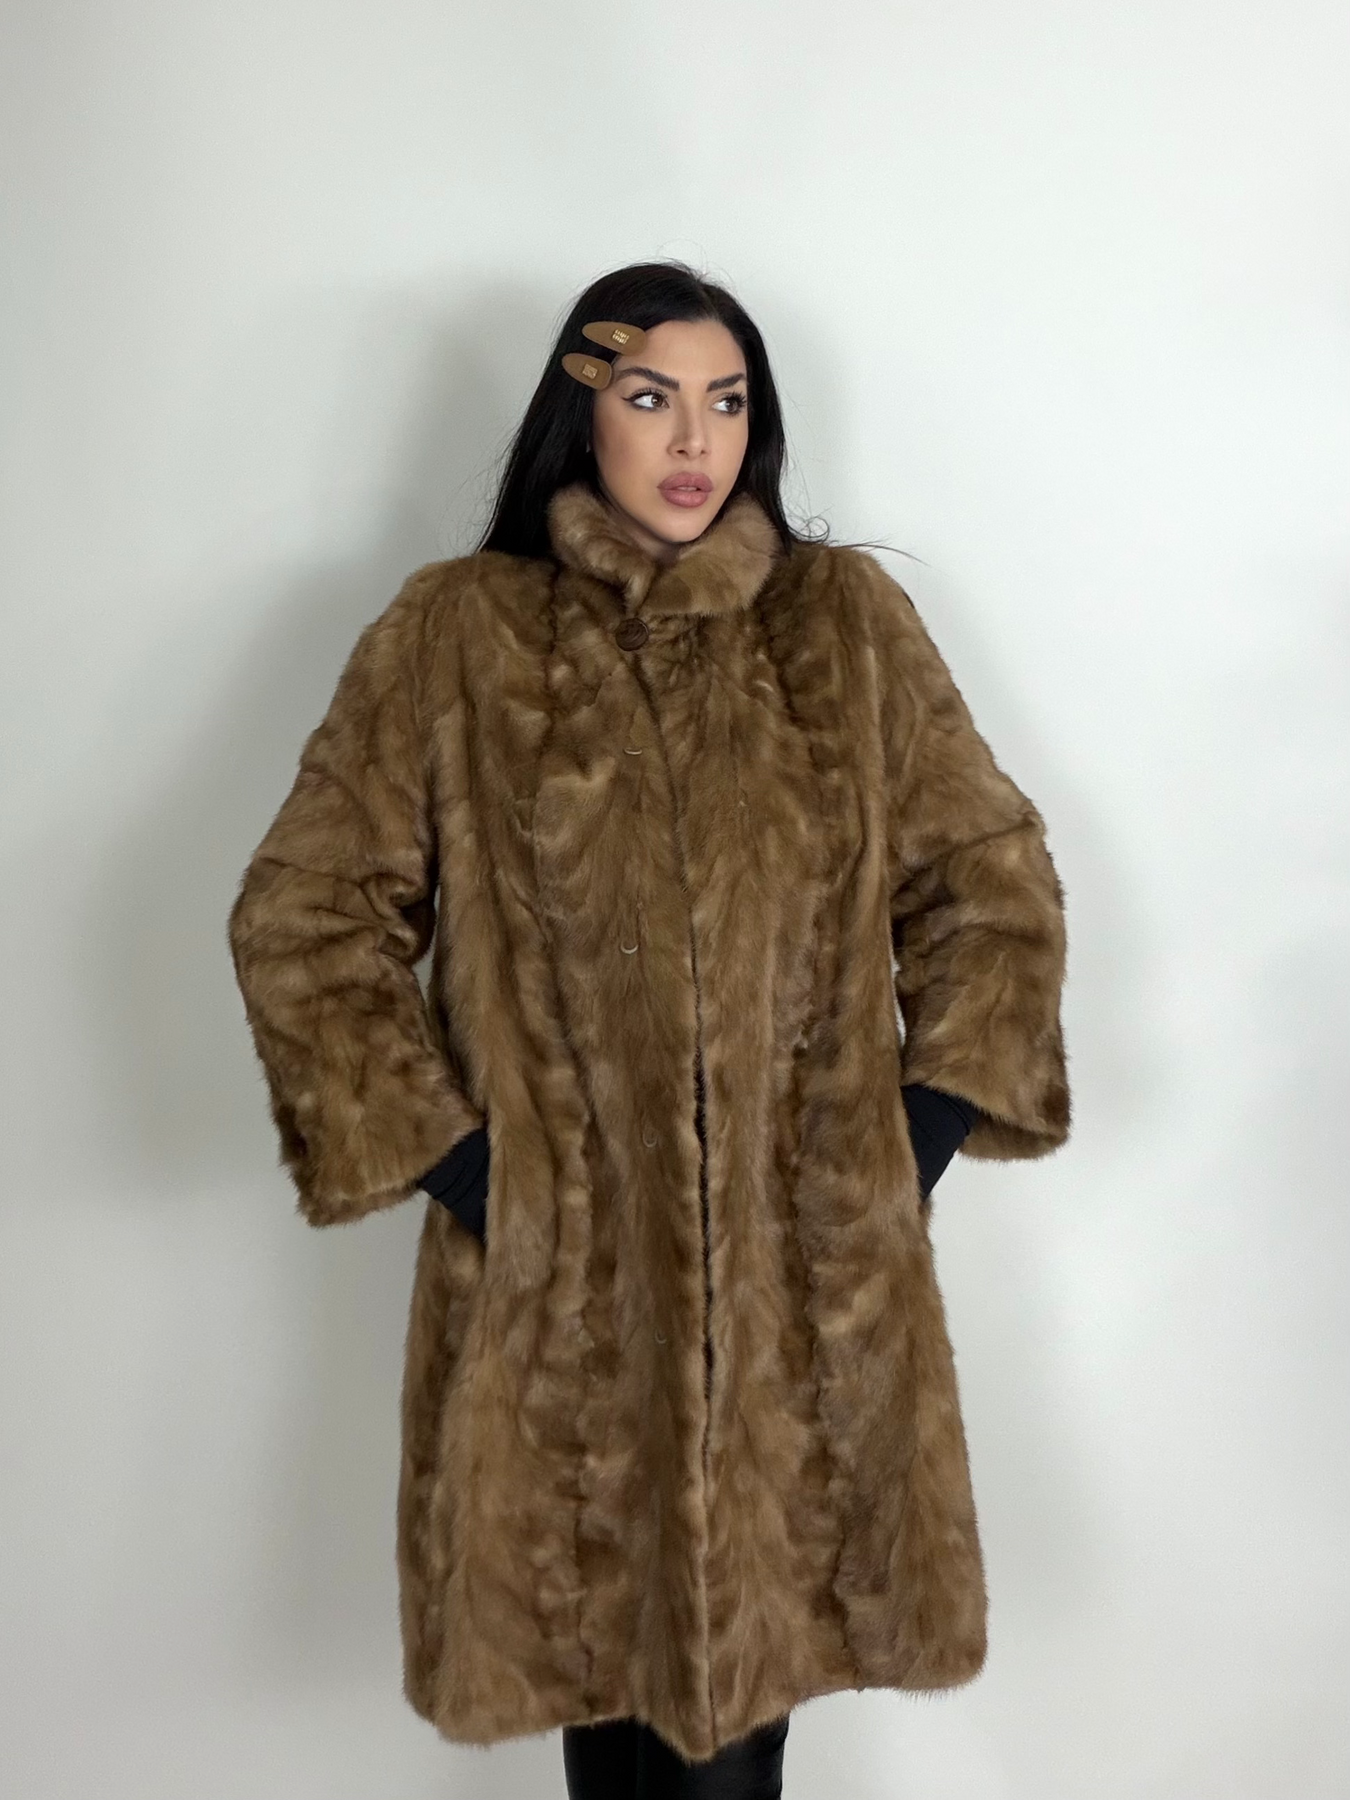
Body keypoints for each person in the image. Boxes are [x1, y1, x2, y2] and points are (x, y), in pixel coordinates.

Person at [228, 260, 1071, 1799]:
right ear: (581, 416)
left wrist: (910, 1134)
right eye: (648, 396)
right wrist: (471, 1169)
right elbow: (308, 912)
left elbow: (985, 880)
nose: (694, 439)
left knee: (732, 1747)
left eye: (726, 401)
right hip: (561, 1322)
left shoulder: (843, 625)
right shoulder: (457, 638)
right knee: (614, 1737)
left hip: (803, 1310)